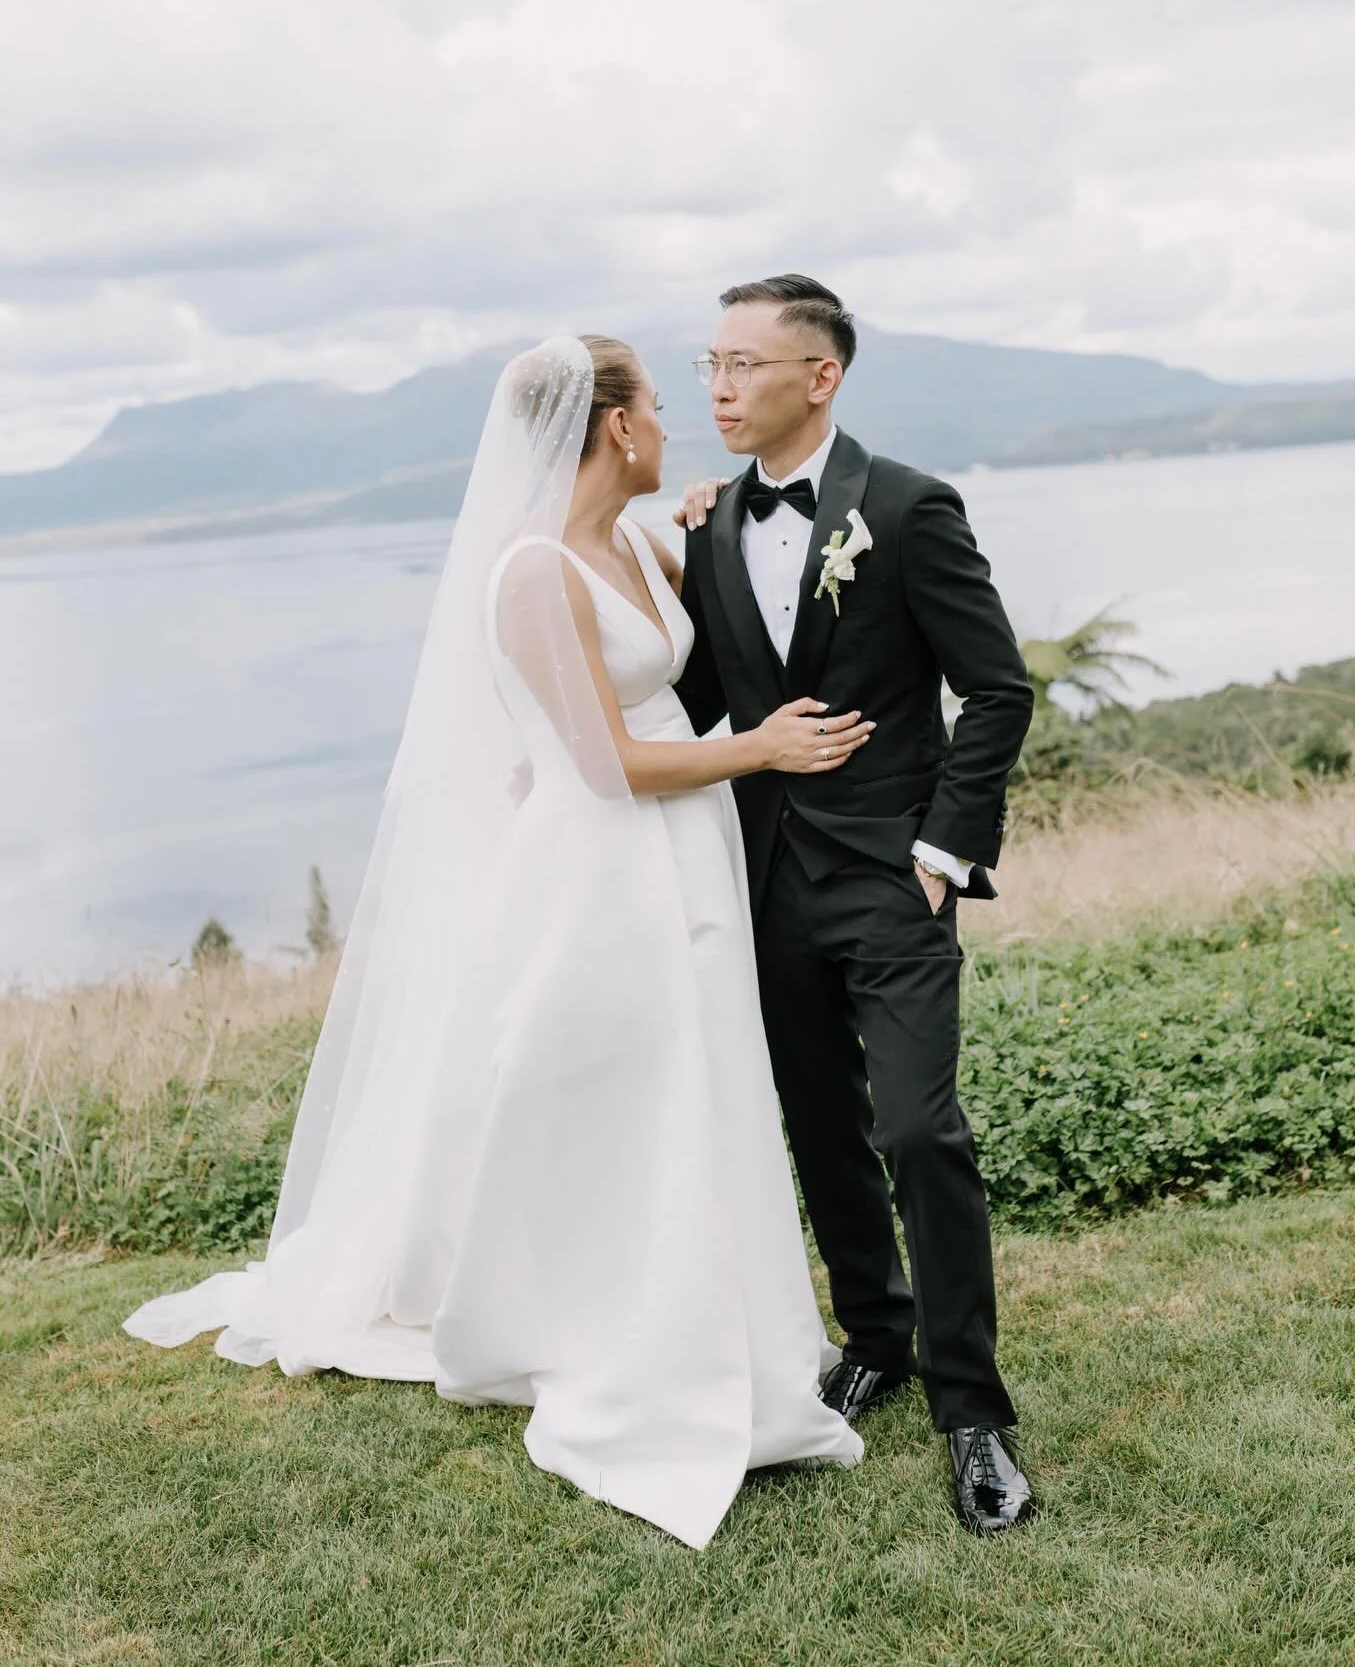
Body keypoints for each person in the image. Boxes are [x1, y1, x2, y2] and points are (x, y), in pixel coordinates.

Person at [124, 334, 863, 1552]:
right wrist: (763, 749)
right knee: (624, 1085)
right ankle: (604, 1314)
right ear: (614, 426)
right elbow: (609, 761)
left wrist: (703, 513)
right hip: (603, 863)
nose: (677, 424)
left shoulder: (628, 541)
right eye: (663, 409)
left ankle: (726, 1309)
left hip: (685, 854)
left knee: (709, 1079)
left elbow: (688, 612)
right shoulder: (529, 575)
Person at [673, 275, 1037, 1534]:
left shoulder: (907, 505)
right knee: (818, 1124)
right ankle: (873, 1335)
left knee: (922, 1127)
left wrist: (945, 847)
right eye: (708, 364)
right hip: (764, 879)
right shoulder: (710, 526)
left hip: (893, 873)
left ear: (818, 377)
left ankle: (972, 1410)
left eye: (740, 366)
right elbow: (704, 701)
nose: (714, 388)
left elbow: (997, 689)